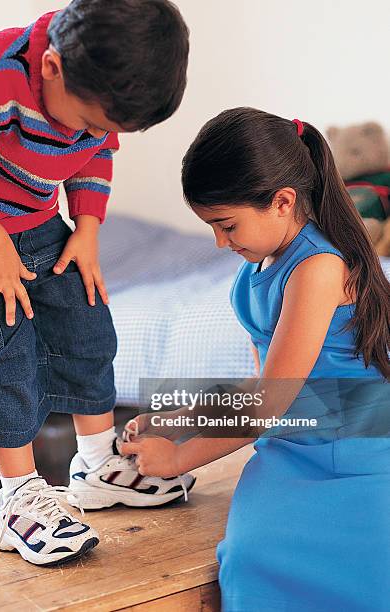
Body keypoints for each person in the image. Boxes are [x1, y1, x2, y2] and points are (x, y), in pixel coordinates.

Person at [0, 0, 195, 567]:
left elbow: (94, 149)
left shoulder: (93, 85)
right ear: (52, 67)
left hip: (30, 213)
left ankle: (97, 465)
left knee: (85, 321)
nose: (93, 133)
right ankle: (18, 498)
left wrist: (86, 225)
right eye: (86, 121)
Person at [120, 107, 390, 611]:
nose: (220, 242)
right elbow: (259, 386)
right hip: (293, 446)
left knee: (357, 573)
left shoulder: (318, 267)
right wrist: (174, 419)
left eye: (227, 225)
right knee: (248, 558)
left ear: (282, 202)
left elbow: (267, 404)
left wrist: (180, 458)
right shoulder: (262, 264)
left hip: (358, 458)